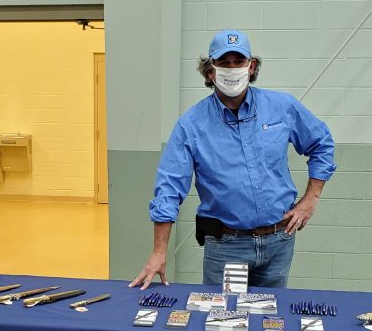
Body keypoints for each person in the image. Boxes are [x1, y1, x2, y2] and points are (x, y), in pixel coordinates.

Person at [131, 29, 336, 290]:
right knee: (225, 321)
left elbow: (321, 144)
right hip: (227, 247)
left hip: (279, 241)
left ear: (251, 67)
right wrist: (159, 252)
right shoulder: (191, 125)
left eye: (238, 62)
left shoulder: (282, 107)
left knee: (269, 321)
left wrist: (310, 200)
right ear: (210, 72)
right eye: (223, 63)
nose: (232, 69)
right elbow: (169, 189)